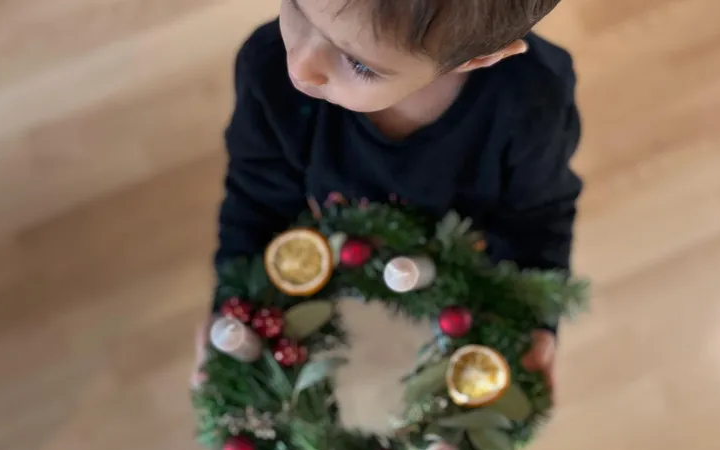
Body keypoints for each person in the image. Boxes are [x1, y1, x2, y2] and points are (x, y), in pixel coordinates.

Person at [193, 0, 581, 394]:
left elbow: (536, 220)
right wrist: (233, 303)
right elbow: (257, 199)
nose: (300, 67)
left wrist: (532, 322)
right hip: (323, 275)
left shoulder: (532, 100)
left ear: (477, 58)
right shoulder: (268, 68)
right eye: (295, 5)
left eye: (358, 64)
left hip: (453, 287)